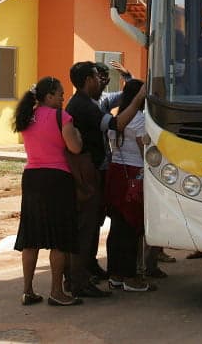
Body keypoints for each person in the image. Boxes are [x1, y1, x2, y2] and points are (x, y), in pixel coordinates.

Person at [65, 61, 147, 299]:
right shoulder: (84, 106)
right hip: (94, 172)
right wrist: (137, 99)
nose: (102, 81)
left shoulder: (92, 103)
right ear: (87, 80)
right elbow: (116, 123)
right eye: (97, 77)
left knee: (109, 226)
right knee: (94, 226)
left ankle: (100, 273)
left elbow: (118, 109)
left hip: (108, 173)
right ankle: (79, 280)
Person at [12, 76, 83, 307]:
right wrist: (78, 136)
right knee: (59, 238)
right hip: (57, 179)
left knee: (31, 237)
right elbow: (75, 147)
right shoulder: (61, 117)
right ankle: (56, 291)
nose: (63, 97)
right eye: (60, 93)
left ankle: (27, 290)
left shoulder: (26, 117)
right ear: (49, 95)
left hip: (32, 177)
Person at [105, 79, 157, 292]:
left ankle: (115, 274)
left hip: (116, 172)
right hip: (134, 175)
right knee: (132, 228)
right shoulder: (139, 119)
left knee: (117, 227)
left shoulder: (119, 117)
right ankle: (130, 276)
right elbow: (144, 152)